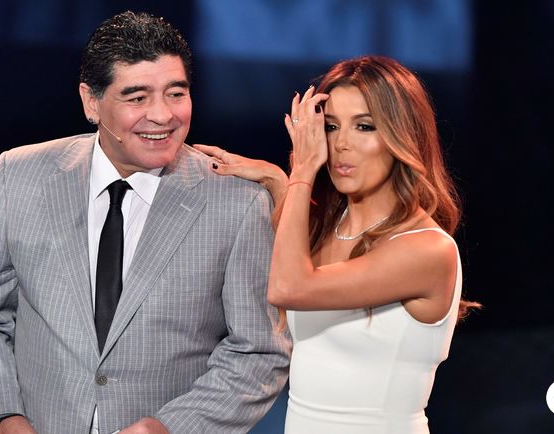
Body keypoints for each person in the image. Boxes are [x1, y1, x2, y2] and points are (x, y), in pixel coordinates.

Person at [0, 11, 290, 434]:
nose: (162, 115)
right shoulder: (22, 174)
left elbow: (258, 352)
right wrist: (3, 417)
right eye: (137, 98)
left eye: (176, 93)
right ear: (91, 102)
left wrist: (167, 428)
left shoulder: (236, 201)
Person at [195, 55, 479, 433]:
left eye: (364, 126)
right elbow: (297, 266)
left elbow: (289, 288)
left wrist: (301, 173)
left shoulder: (428, 250)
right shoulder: (328, 228)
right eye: (330, 126)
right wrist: (279, 182)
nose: (341, 144)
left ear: (402, 135)